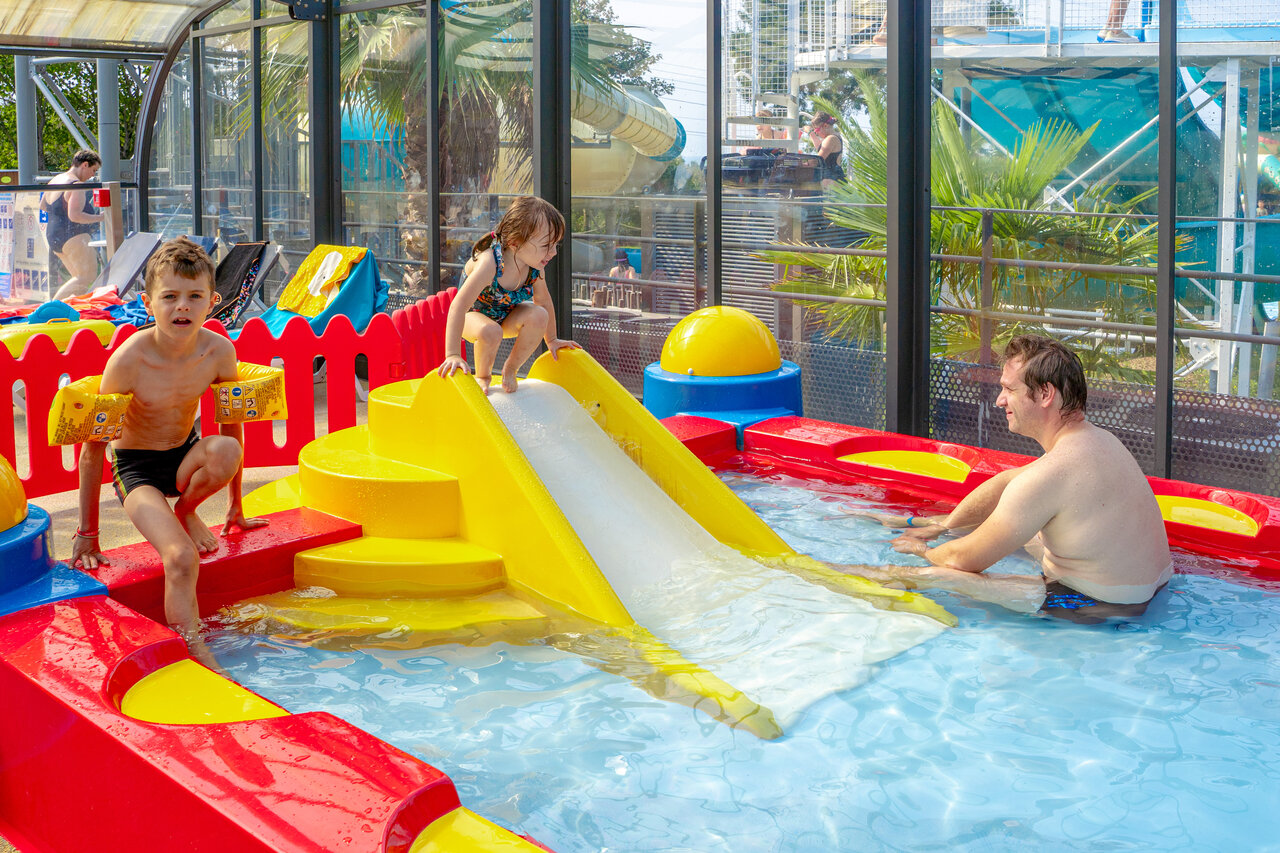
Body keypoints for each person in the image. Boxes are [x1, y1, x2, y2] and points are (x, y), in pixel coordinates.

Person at [841, 335, 1172, 622]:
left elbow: (960, 559)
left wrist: (921, 550)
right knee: (1018, 530)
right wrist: (941, 528)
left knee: (939, 574)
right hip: (1155, 592)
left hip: (1095, 607)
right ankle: (920, 522)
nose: (1000, 400)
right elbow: (1006, 483)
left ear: (1045, 394)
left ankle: (810, 572)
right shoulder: (1099, 442)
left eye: (1009, 389)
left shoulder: (1050, 474)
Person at [70, 237, 267, 666]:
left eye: (194, 296)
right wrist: (87, 533)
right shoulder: (128, 360)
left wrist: (237, 507)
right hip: (136, 469)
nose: (183, 307)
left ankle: (187, 510)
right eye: (170, 297)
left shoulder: (218, 352)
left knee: (226, 448)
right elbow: (92, 450)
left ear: (213, 301)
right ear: (148, 302)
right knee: (179, 557)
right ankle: (194, 654)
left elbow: (232, 426)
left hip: (183, 456)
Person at [437, 196, 580, 394]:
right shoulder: (490, 264)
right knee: (491, 331)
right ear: (515, 242)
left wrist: (553, 340)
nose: (554, 252)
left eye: (556, 245)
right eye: (547, 245)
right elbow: (458, 306)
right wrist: (452, 354)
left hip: (505, 317)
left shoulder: (535, 268)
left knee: (539, 315)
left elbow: (544, 301)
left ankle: (511, 369)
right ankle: (483, 375)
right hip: (472, 318)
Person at [41, 149, 104, 300]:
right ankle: (51, 308)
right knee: (86, 277)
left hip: (54, 235)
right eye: (93, 170)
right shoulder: (76, 185)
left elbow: (43, 205)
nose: (92, 176)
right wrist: (100, 218)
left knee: (78, 280)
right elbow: (75, 216)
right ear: (85, 165)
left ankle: (64, 311)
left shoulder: (56, 180)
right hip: (73, 235)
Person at [806, 113, 845, 187]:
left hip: (832, 182)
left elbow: (817, 161)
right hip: (836, 180)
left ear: (825, 126)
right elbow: (820, 147)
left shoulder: (831, 138)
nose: (816, 132)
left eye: (816, 129)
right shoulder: (834, 137)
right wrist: (810, 133)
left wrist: (802, 163)